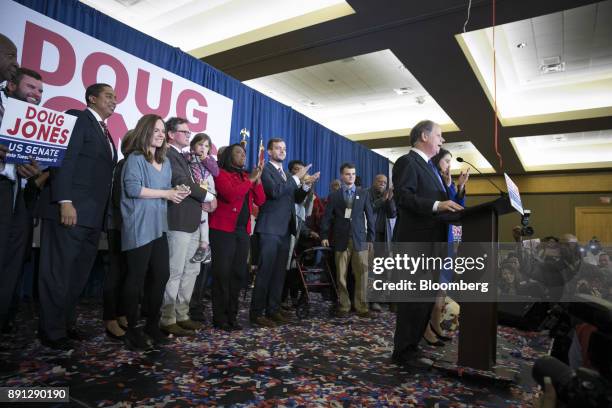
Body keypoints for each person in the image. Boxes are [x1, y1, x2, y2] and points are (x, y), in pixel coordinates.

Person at [37, 83, 118, 350]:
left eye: (115, 97)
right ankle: (51, 330)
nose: (113, 101)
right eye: (108, 96)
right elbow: (65, 160)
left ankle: (66, 324)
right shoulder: (76, 118)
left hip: (93, 217)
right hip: (70, 210)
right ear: (91, 98)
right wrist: (65, 201)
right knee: (58, 271)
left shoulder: (107, 134)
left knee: (78, 274)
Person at [391, 120, 463, 368]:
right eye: (439, 136)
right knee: (413, 298)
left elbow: (443, 200)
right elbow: (404, 197)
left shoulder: (431, 168)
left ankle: (413, 347)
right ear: (424, 136)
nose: (442, 141)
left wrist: (452, 196)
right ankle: (402, 352)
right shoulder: (407, 162)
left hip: (432, 242)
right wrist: (436, 205)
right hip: (415, 242)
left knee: (424, 298)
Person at [120, 114, 189, 350]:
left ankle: (151, 325)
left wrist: (176, 191)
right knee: (136, 279)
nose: (160, 134)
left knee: (160, 276)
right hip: (138, 225)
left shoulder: (166, 162)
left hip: (159, 226)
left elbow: (165, 192)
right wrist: (166, 194)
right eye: (155, 130)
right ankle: (131, 330)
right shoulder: (136, 159)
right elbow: (132, 189)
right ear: (144, 132)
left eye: (162, 131)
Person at [250, 138, 318, 327]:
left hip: (286, 229)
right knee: (265, 273)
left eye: (284, 149)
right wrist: (297, 178)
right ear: (269, 152)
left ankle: (273, 310)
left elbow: (295, 198)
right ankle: (256, 313)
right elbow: (275, 192)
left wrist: (305, 185)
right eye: (278, 148)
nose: (282, 151)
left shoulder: (286, 174)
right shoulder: (265, 170)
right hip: (270, 228)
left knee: (279, 273)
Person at [0, 67, 45, 334]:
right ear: (12, 86)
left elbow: (35, 167)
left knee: (13, 262)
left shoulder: (37, 123)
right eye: (31, 87)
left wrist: (35, 171)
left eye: (40, 91)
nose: (36, 94)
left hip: (22, 197)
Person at [160, 118, 213, 336]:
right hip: (178, 220)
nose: (189, 135)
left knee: (191, 270)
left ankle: (182, 314)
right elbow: (180, 180)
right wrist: (208, 195)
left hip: (193, 222)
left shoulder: (186, 157)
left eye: (190, 132)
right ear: (171, 134)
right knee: (175, 271)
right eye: (185, 131)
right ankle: (167, 317)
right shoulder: (168, 154)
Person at [209, 143, 265, 331]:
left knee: (238, 275)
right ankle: (220, 318)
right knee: (222, 275)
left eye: (244, 153)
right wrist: (250, 180)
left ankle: (232, 316)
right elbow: (231, 194)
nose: (243, 156)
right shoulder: (222, 174)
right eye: (238, 153)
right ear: (229, 156)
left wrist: (257, 181)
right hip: (223, 230)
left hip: (242, 231)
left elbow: (261, 200)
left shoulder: (246, 176)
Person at [424, 148, 469, 345]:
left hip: (449, 243)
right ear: (436, 161)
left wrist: (459, 187)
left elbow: (458, 207)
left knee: (441, 292)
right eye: (446, 161)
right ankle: (426, 330)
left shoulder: (446, 183)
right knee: (431, 292)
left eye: (451, 162)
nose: (449, 166)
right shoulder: (431, 179)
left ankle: (436, 326)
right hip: (434, 241)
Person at [321, 162, 375, 318]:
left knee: (362, 275)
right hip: (341, 240)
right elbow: (327, 218)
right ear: (341, 175)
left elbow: (370, 217)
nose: (350, 176)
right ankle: (344, 306)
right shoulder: (334, 195)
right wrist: (324, 235)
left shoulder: (363, 193)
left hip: (360, 239)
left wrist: (371, 238)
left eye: (352, 174)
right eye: (347, 174)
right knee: (341, 276)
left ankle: (362, 307)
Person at [103, 129, 136, 340]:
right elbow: (118, 201)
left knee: (126, 272)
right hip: (119, 226)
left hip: (130, 227)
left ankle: (122, 312)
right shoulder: (124, 165)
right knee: (115, 273)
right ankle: (110, 318)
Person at [186, 133, 219, 263]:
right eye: (200, 144)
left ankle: (204, 244)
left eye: (206, 146)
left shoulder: (210, 160)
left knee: (204, 216)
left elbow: (216, 172)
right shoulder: (188, 158)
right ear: (193, 145)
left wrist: (206, 159)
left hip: (208, 190)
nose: (203, 148)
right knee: (201, 216)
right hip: (197, 192)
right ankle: (206, 247)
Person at [368, 174, 396, 312]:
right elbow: (369, 209)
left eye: (385, 182)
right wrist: (382, 200)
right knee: (365, 270)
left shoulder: (387, 196)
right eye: (380, 181)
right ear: (374, 182)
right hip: (368, 237)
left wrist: (389, 201)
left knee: (382, 270)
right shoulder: (367, 193)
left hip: (383, 238)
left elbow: (392, 214)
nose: (382, 184)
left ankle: (376, 299)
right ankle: (359, 299)